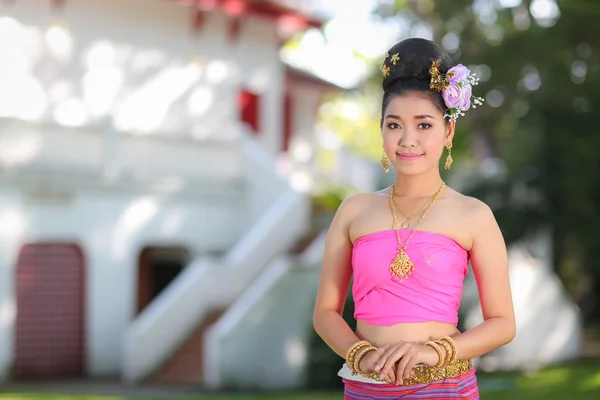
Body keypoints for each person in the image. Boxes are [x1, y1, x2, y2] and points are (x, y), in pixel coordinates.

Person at [312, 38, 516, 399]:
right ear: (382, 130)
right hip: (367, 386)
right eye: (394, 125)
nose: (407, 139)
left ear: (448, 131)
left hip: (444, 387)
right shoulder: (354, 211)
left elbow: (503, 324)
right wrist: (361, 354)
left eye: (423, 125)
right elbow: (326, 312)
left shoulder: (474, 215)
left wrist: (432, 352)